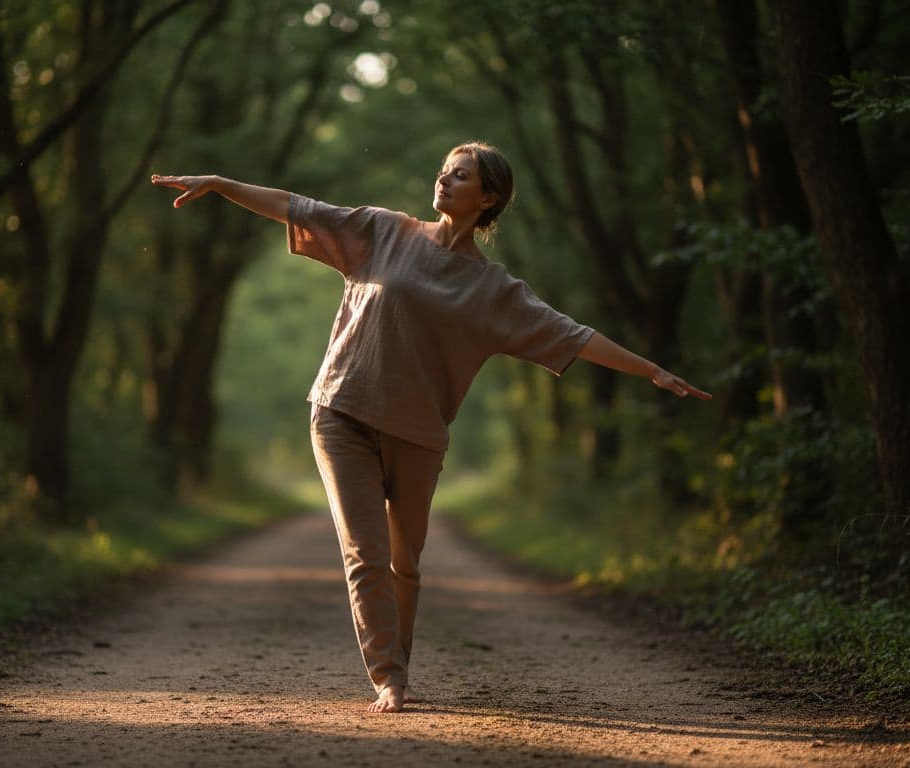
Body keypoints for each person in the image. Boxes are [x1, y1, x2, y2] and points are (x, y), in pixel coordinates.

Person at [150, 141, 710, 714]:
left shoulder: (495, 291)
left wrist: (653, 371)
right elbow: (297, 207)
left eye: (459, 175)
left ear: (488, 197)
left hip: (416, 434)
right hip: (340, 410)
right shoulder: (383, 231)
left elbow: (572, 334)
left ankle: (401, 665)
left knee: (403, 562)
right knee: (364, 553)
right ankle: (388, 678)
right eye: (444, 171)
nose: (443, 180)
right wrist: (220, 183)